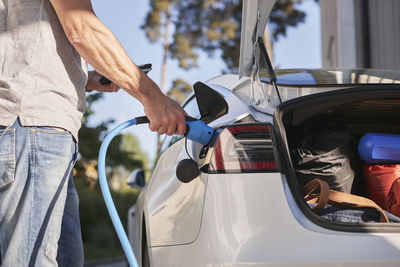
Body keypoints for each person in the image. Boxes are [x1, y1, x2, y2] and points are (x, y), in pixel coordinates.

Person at [0, 0, 186, 266]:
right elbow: (81, 27)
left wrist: (85, 77)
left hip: (31, 128)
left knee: (65, 259)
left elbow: (21, 44)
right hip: (32, 126)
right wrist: (152, 95)